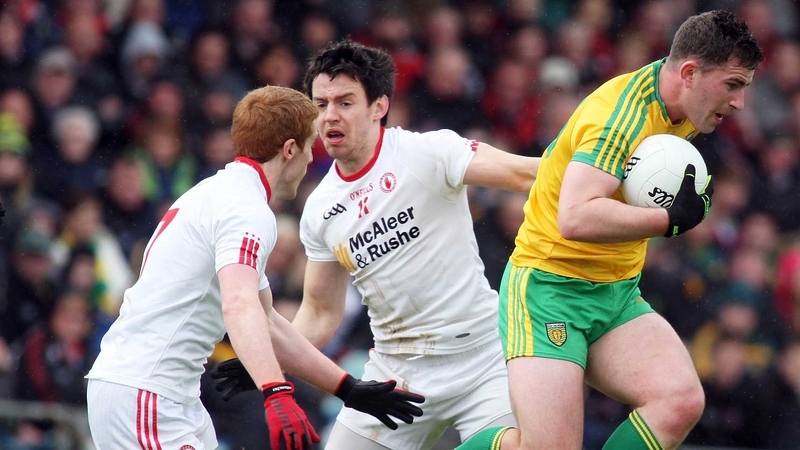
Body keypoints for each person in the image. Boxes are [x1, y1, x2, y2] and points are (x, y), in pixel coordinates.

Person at [456, 9, 764, 450]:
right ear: (690, 73)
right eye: (732, 85)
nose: (739, 102)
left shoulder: (683, 102)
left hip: (615, 292)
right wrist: (669, 219)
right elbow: (575, 216)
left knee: (679, 401)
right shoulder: (621, 117)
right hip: (550, 290)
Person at [212, 38, 540, 449]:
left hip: (482, 358)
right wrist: (267, 362)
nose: (330, 116)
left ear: (379, 106)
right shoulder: (320, 209)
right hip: (396, 373)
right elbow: (321, 313)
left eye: (345, 102)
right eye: (320, 104)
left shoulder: (430, 152)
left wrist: (597, 175)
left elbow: (527, 174)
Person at [85, 85, 424, 450]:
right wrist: (276, 391)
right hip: (147, 393)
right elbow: (239, 304)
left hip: (162, 393)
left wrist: (348, 389)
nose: (312, 159)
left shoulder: (221, 192)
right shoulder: (247, 209)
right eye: (310, 146)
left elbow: (267, 320)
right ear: (289, 150)